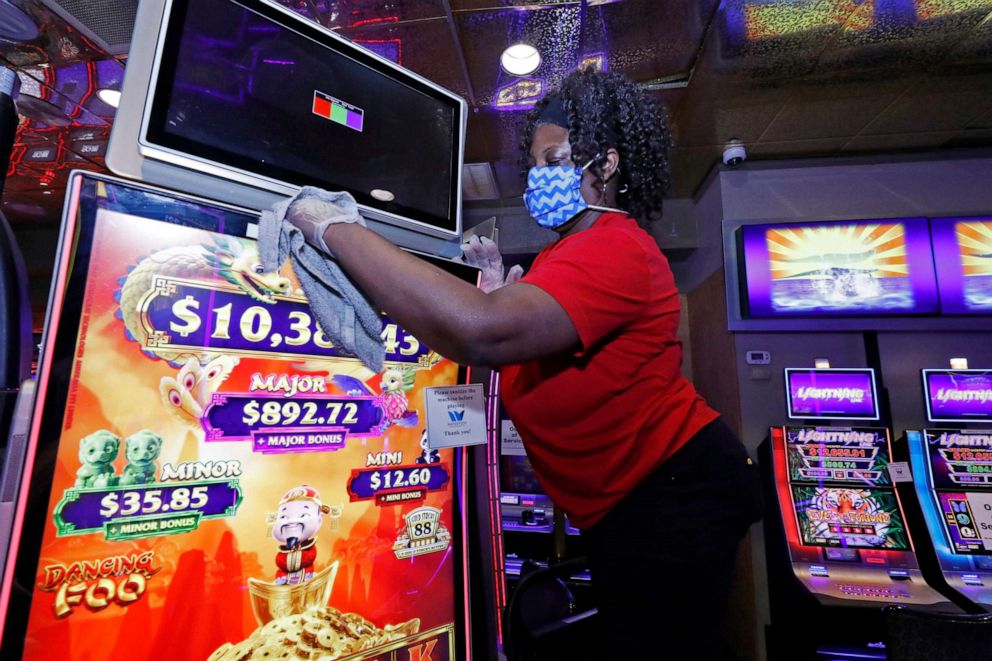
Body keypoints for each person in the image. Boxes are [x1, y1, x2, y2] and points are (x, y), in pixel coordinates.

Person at [284, 68, 762, 659]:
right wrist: (494, 301)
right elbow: (506, 351)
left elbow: (479, 336)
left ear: (606, 165)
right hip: (634, 497)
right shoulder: (567, 253)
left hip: (672, 489)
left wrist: (333, 228)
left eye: (556, 158)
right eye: (536, 164)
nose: (541, 177)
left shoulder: (613, 247)